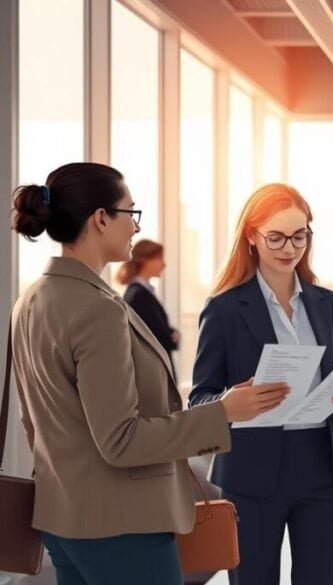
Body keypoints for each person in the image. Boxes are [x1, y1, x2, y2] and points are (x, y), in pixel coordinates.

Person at [8, 163, 285, 585]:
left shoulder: (32, 299)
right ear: (101, 218)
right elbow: (121, 440)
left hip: (62, 517)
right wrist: (223, 412)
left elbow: (36, 423)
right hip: (120, 525)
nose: (136, 229)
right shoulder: (97, 308)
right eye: (130, 214)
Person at [190, 183, 333, 585]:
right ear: (252, 236)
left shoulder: (330, 304)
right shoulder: (223, 309)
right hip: (251, 472)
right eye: (276, 236)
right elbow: (199, 398)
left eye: (299, 235)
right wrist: (233, 401)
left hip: (322, 468)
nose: (289, 247)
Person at [118, 239, 179, 377]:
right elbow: (153, 336)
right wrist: (171, 337)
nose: (164, 264)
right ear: (145, 260)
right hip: (152, 373)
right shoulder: (138, 295)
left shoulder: (141, 293)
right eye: (159, 258)